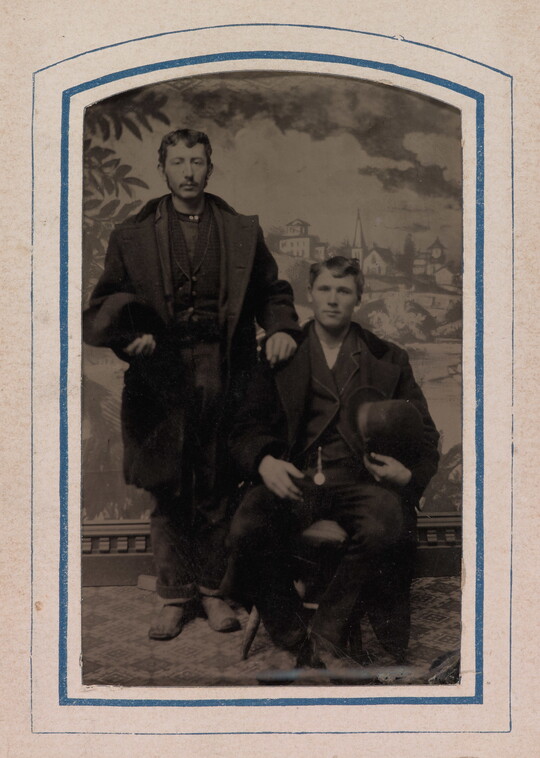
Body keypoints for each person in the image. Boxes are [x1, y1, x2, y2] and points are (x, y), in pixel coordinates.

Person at [83, 128, 300, 639]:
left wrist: (282, 328)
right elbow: (106, 304)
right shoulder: (132, 234)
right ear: (162, 168)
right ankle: (173, 595)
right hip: (160, 377)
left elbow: (272, 291)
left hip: (226, 369)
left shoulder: (240, 230)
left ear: (210, 168)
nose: (188, 172)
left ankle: (213, 591)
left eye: (196, 162)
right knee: (168, 487)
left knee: (217, 483)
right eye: (178, 162)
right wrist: (130, 338)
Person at [223, 256, 439, 667]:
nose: (333, 299)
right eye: (324, 289)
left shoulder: (388, 358)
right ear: (310, 294)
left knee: (386, 525)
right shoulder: (279, 353)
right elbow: (243, 428)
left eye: (344, 290)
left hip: (363, 481)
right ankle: (291, 634)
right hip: (294, 478)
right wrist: (265, 462)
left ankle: (328, 630)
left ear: (359, 297)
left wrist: (408, 474)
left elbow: (426, 435)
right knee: (247, 527)